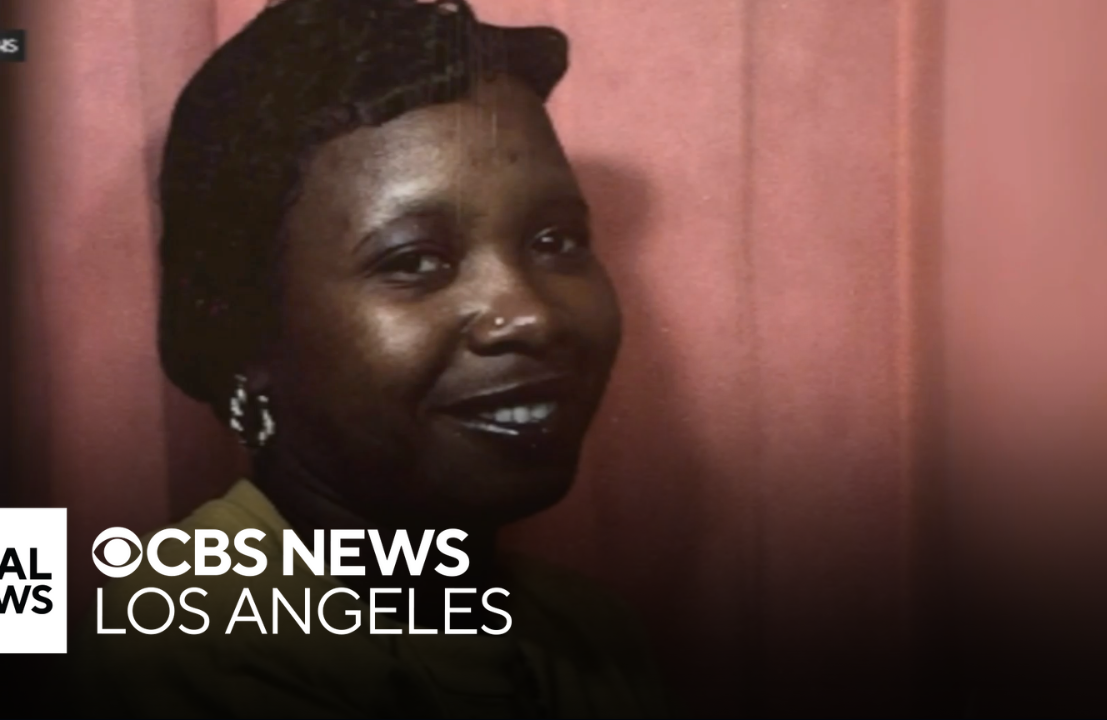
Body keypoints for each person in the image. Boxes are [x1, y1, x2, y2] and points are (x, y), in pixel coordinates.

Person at [78, 0, 666, 716]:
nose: (532, 316)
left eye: (556, 242)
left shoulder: (588, 633)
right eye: (415, 260)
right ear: (246, 333)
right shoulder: (193, 640)